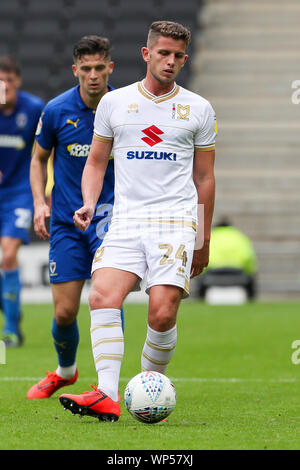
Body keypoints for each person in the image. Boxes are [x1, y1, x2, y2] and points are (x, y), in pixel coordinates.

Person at [59, 20, 217, 422]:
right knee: (102, 296)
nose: (171, 61)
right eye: (163, 53)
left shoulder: (197, 108)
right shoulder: (116, 104)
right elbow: (96, 162)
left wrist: (203, 238)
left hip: (176, 221)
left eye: (179, 55)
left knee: (161, 313)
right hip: (127, 219)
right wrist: (90, 203)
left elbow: (204, 177)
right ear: (146, 54)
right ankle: (106, 394)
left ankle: (148, 389)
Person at [27, 36, 124, 399]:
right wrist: (40, 203)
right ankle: (65, 371)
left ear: (110, 67)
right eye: (86, 69)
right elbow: (37, 159)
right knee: (65, 311)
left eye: (100, 68)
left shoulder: (123, 108)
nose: (94, 75)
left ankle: (106, 387)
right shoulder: (55, 110)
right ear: (75, 70)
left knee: (106, 297)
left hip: (110, 221)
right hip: (66, 222)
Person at [0, 56, 44, 347]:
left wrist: (45, 191)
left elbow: (45, 152)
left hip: (19, 193)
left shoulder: (34, 109)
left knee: (7, 254)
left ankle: (12, 329)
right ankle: (11, 309)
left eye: (9, 82)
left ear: (17, 83)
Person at [198, 218, 257, 300]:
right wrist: (250, 271)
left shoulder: (212, 236)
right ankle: (251, 301)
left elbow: (202, 257)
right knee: (251, 282)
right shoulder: (239, 236)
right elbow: (248, 257)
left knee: (200, 283)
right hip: (238, 274)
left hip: (213, 274)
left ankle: (201, 300)